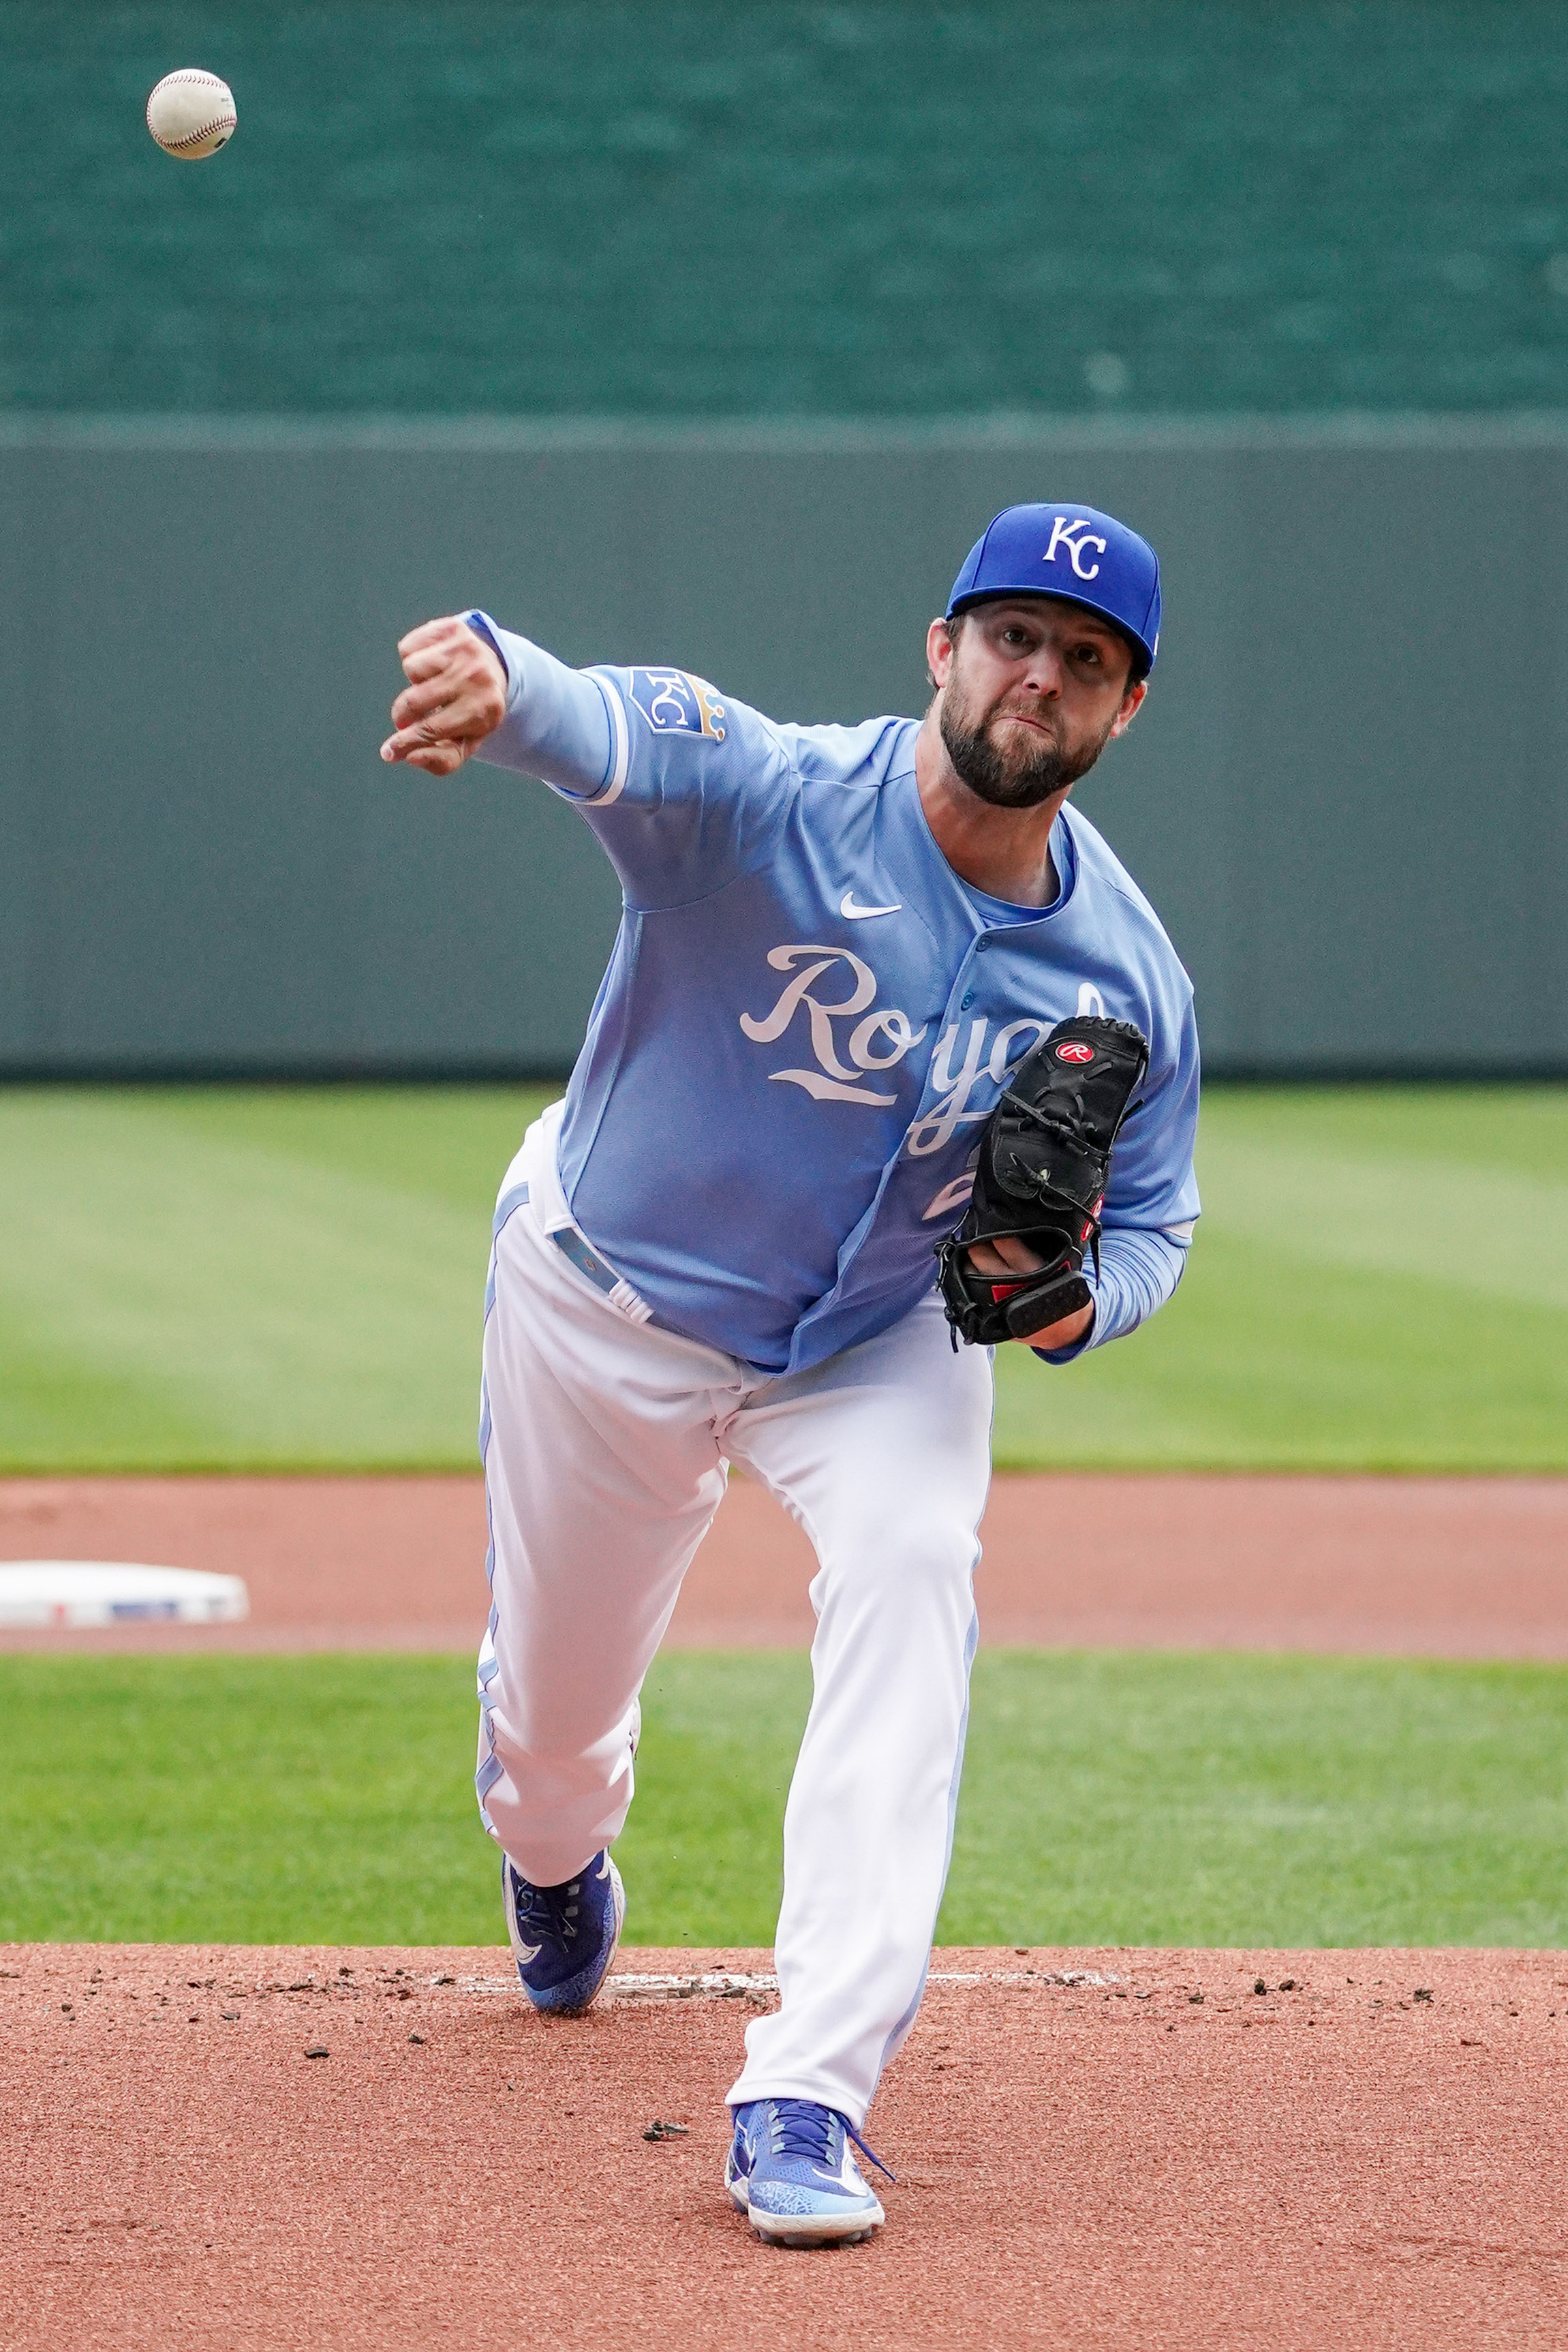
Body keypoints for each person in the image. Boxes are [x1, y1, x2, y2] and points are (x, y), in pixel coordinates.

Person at [380, 502, 1200, 2249]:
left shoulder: (1130, 972)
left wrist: (1068, 1309)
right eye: (1011, 636)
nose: (1036, 675)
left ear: (1124, 708)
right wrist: (492, 674)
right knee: (546, 1734)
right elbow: (602, 721)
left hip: (883, 1335)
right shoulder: (762, 796)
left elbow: (1153, 1223)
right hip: (607, 1305)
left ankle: (806, 2094)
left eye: (1084, 659)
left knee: (915, 1573)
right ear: (940, 647)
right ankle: (551, 1864)